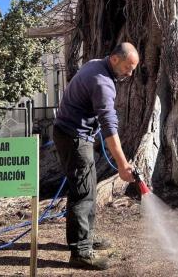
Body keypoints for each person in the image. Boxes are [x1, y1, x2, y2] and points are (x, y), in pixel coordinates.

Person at [52, 42, 139, 270]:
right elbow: (109, 126)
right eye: (128, 67)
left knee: (87, 187)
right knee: (82, 191)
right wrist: (122, 165)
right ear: (115, 60)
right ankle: (80, 252)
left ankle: (85, 238)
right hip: (73, 136)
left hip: (70, 132)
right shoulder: (103, 82)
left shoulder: (95, 64)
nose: (130, 74)